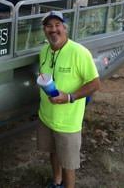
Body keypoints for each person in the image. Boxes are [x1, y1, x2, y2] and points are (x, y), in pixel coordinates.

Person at [37, 11, 101, 188]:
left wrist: (70, 97)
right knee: (53, 152)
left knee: (69, 164)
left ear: (65, 28)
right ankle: (57, 182)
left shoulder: (79, 52)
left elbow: (95, 83)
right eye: (49, 26)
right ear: (44, 30)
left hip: (68, 123)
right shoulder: (44, 51)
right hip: (46, 117)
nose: (53, 30)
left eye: (57, 25)